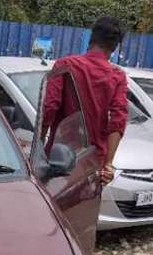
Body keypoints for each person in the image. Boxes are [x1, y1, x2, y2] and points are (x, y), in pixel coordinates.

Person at [42, 16, 128, 185]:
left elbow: (49, 108)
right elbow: (118, 121)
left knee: (52, 210)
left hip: (59, 161)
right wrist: (108, 165)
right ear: (114, 48)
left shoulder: (65, 65)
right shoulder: (117, 76)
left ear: (91, 38)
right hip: (93, 166)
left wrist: (38, 148)